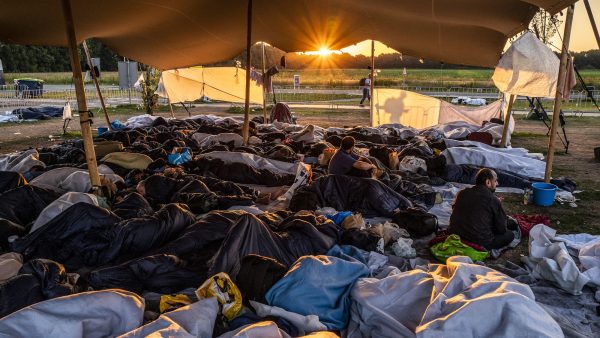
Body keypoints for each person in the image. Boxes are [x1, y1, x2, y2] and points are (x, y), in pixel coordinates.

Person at [448, 168, 516, 251]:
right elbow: (501, 229)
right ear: (488, 182)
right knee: (510, 234)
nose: (497, 183)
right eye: (495, 181)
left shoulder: (462, 192)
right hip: (480, 241)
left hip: (455, 234)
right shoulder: (492, 199)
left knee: (507, 223)